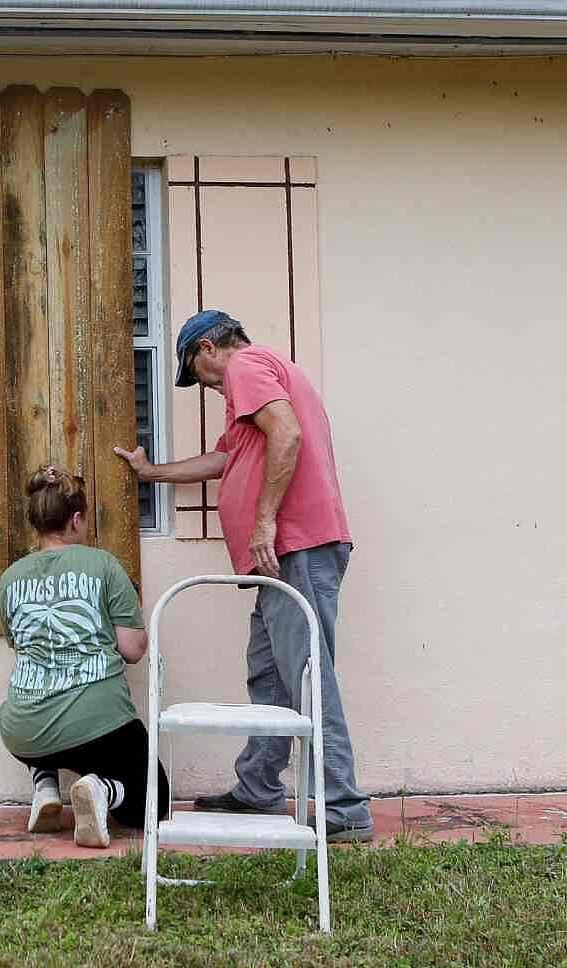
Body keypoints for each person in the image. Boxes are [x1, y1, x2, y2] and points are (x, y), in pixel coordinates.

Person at [113, 310, 373, 842]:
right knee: (270, 672)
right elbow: (221, 461)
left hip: (294, 547)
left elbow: (288, 434)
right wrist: (151, 473)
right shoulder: (254, 386)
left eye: (195, 370)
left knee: (306, 675)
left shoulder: (247, 366)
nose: (203, 383)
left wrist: (264, 522)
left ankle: (344, 807)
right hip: (285, 555)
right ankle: (257, 786)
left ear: (210, 347)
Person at [0, 464, 171, 849]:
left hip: (22, 728)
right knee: (154, 798)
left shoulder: (9, 578)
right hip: (96, 724)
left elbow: (25, 645)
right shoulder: (104, 565)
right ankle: (101, 791)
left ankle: (45, 786)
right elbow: (133, 650)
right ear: (76, 519)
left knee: (40, 717)